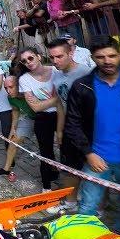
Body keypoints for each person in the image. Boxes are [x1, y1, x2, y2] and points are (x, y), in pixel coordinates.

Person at [63, 36, 120, 235]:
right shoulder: (82, 86)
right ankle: (83, 236)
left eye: (112, 55)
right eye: (101, 57)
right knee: (88, 203)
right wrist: (88, 153)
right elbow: (72, 124)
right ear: (93, 58)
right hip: (96, 157)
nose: (107, 61)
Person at [44, 39, 92, 214]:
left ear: (71, 53)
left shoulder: (86, 73)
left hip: (87, 130)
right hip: (69, 129)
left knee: (91, 170)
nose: (55, 61)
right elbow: (60, 104)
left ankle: (96, 208)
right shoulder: (56, 74)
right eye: (52, 57)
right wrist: (60, 129)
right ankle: (71, 203)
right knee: (68, 168)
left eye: (59, 56)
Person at [17, 47, 59, 192]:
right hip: (43, 118)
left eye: (31, 58)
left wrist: (46, 103)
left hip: (62, 115)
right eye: (24, 61)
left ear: (39, 57)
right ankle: (46, 187)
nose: (28, 62)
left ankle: (72, 183)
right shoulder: (24, 79)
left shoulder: (55, 71)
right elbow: (35, 107)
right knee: (45, 153)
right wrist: (57, 99)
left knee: (68, 150)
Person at [0, 75, 36, 181]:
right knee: (13, 141)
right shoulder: (10, 97)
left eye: (11, 87)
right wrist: (13, 130)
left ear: (19, 85)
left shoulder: (28, 92)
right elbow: (15, 110)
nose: (8, 91)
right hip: (29, 118)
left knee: (46, 146)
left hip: (43, 118)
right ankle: (6, 169)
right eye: (6, 88)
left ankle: (54, 167)